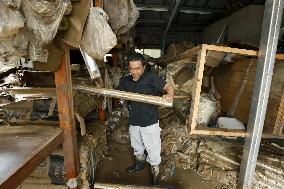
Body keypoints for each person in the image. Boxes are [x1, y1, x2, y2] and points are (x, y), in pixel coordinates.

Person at [117, 53, 173, 184]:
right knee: (137, 146)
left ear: (143, 67)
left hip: (149, 121)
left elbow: (167, 86)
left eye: (137, 68)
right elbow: (118, 93)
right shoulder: (126, 81)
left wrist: (169, 94)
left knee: (153, 148)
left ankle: (155, 172)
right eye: (132, 68)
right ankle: (139, 164)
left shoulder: (152, 78)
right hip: (134, 121)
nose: (134, 71)